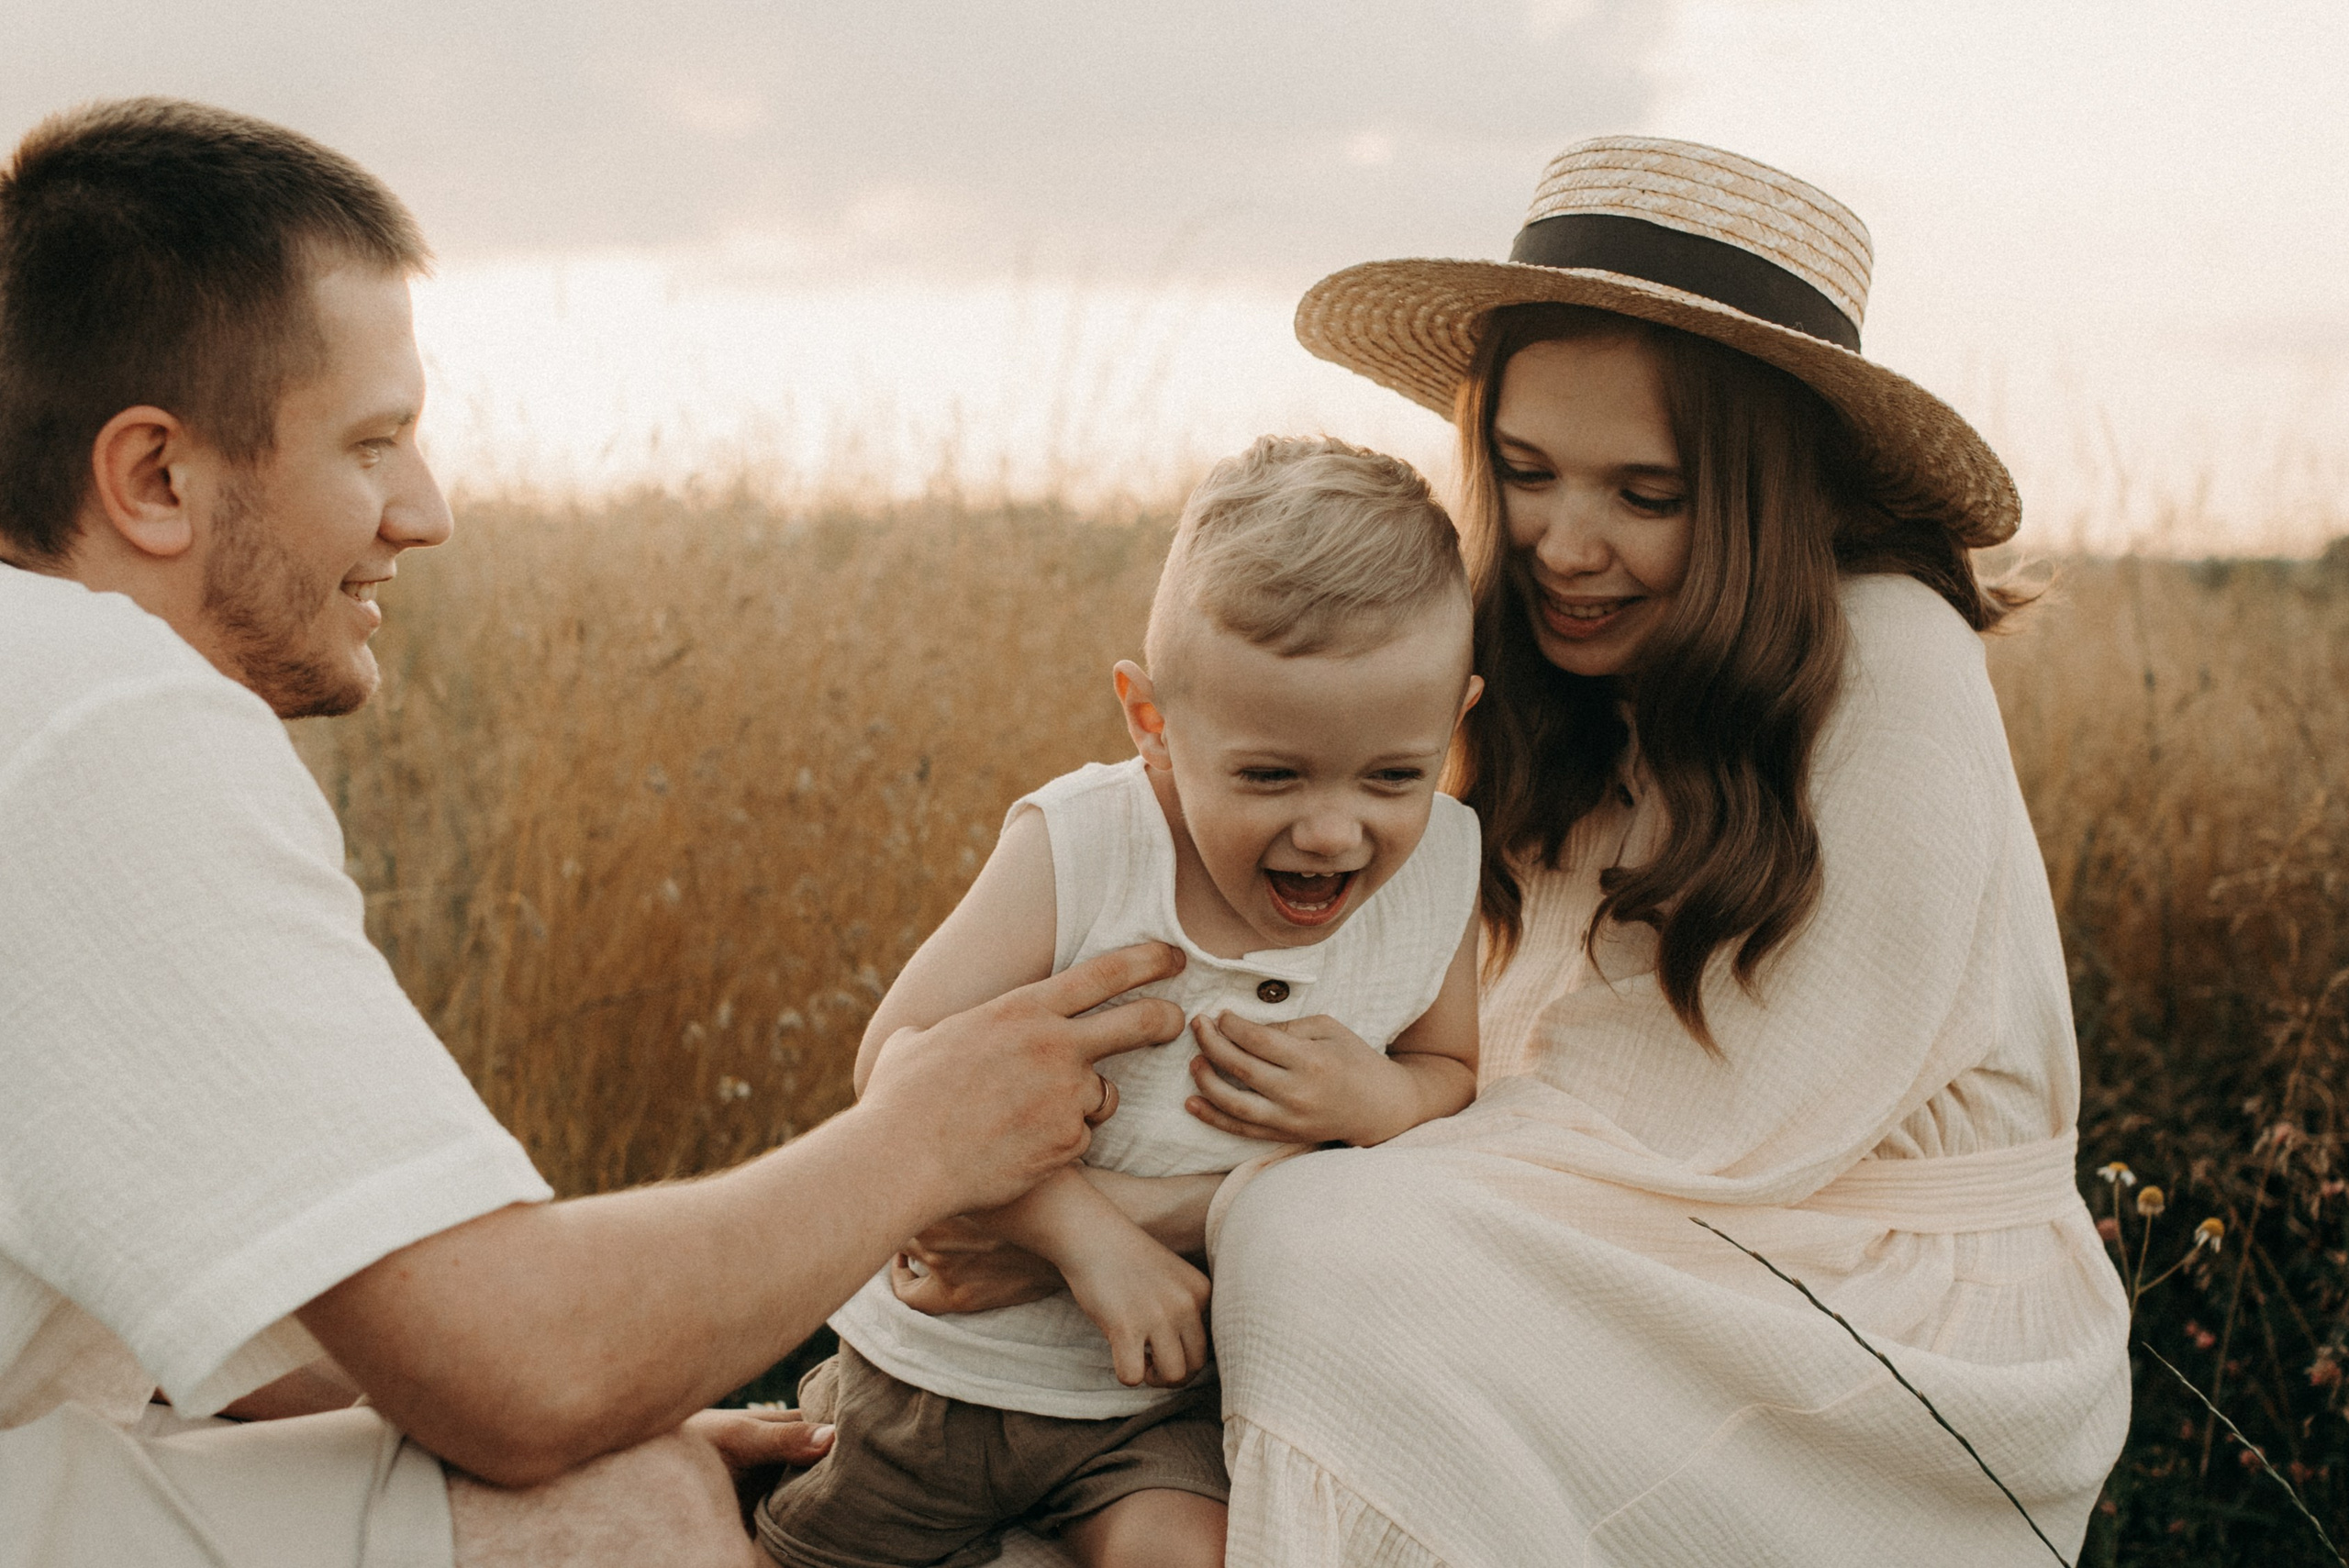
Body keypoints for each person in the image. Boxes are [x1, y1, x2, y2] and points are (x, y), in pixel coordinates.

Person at [900, 138, 2135, 1565]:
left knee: (1315, 1247)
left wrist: (1126, 1221)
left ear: (1757, 493)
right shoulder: (1541, 674)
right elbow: (1479, 1056)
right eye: (1528, 470)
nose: (1563, 542)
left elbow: (1684, 1134)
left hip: (1886, 1307)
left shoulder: (1891, 663)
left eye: (1646, 494)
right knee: (1310, 1234)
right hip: (1616, 1234)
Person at [0, 98, 1186, 1568]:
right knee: (612, 1510)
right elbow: (524, 1369)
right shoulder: (107, 714)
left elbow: (316, 1297)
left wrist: (567, 1407)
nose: (424, 512)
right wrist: (925, 1136)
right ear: (155, 479)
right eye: (374, 445)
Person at [755, 437, 1486, 1568]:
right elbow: (895, 1062)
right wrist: (1084, 1233)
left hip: (1159, 1412)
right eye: (1270, 775)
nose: (1335, 828)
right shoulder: (1089, 845)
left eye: (1393, 774)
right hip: (946, 1380)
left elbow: (1452, 1073)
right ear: (1150, 720)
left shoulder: (1444, 860)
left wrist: (1377, 1094)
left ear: (1456, 717)